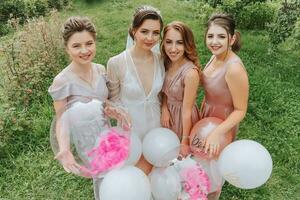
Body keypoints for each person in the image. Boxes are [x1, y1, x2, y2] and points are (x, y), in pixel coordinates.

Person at [48, 16, 129, 200]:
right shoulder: (62, 81)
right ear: (66, 48)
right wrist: (65, 148)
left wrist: (113, 109)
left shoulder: (100, 69)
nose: (84, 50)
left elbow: (103, 102)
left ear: (95, 42)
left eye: (89, 43)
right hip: (86, 140)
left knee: (117, 174)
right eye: (76, 46)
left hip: (106, 133)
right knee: (103, 177)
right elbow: (61, 119)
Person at [107, 5, 164, 175]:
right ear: (133, 31)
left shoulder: (161, 60)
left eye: (155, 33)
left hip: (157, 127)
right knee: (136, 175)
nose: (150, 38)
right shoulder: (116, 63)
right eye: (144, 31)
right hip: (131, 130)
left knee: (157, 172)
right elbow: (113, 99)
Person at [200, 13, 249, 199]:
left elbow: (241, 110)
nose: (215, 41)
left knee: (213, 172)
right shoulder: (214, 57)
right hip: (207, 117)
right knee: (201, 164)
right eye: (210, 36)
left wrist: (216, 133)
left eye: (221, 36)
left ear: (232, 38)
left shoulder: (234, 68)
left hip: (223, 124)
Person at [160, 21, 200, 157]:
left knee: (181, 157)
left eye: (179, 43)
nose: (173, 48)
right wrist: (164, 108)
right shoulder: (167, 62)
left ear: (187, 45)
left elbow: (187, 111)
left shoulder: (190, 74)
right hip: (168, 115)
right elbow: (166, 91)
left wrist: (185, 140)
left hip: (184, 120)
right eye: (169, 42)